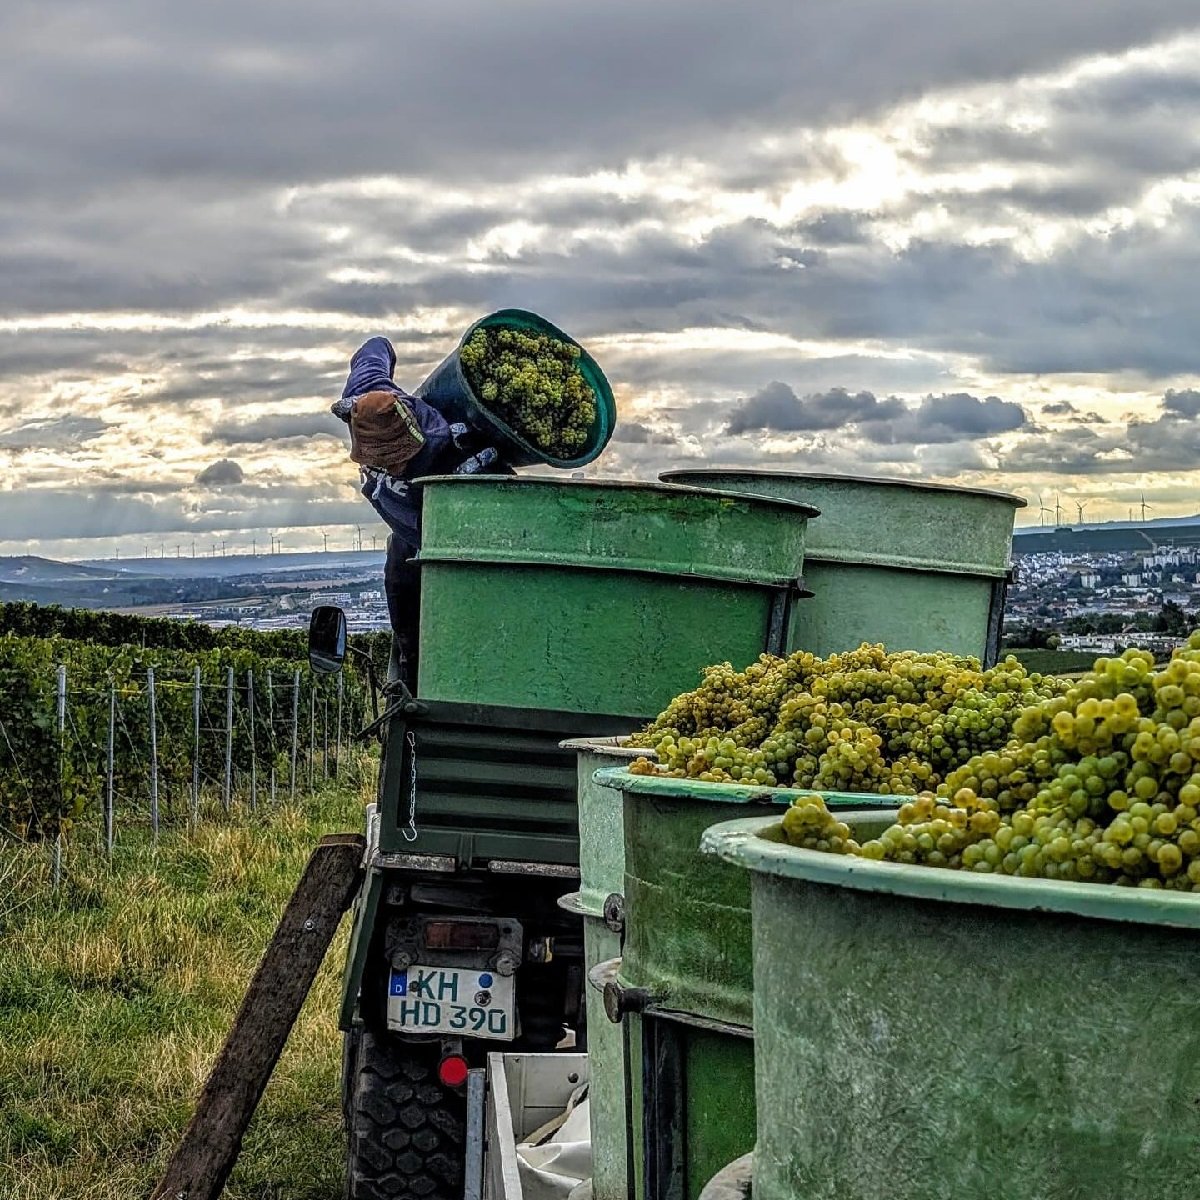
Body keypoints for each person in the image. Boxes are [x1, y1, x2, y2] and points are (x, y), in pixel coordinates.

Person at [332, 335, 512, 689]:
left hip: (442, 538)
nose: (392, 468)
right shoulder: (366, 392)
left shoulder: (454, 454)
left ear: (413, 436)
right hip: (407, 538)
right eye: (381, 461)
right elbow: (376, 346)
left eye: (399, 460)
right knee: (399, 583)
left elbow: (500, 499)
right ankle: (411, 675)